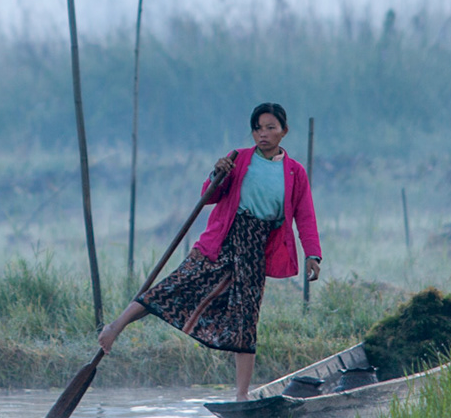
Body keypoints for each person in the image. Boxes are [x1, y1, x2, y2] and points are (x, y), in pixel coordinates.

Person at [97, 102, 322, 401]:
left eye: (271, 127)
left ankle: (241, 395)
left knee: (246, 320)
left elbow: (305, 215)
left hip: (255, 249)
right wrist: (217, 173)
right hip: (223, 241)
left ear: (284, 131)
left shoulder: (294, 172)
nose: (263, 134)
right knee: (175, 286)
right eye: (258, 128)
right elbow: (209, 197)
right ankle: (115, 327)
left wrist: (313, 254)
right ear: (252, 132)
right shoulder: (237, 159)